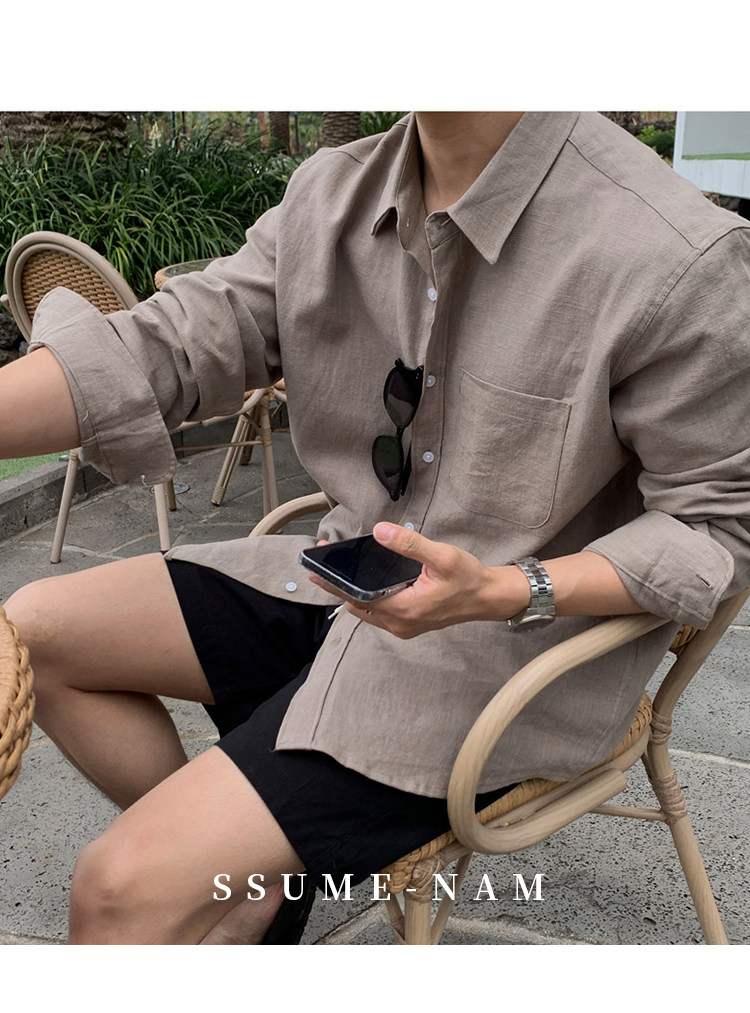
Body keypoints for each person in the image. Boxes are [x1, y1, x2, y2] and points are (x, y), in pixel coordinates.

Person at [2, 111, 750, 944]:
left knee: (117, 889)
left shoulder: (671, 251)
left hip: (507, 654)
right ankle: (243, 891)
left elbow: (719, 526)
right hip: (344, 578)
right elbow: (168, 346)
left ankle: (209, 881)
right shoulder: (329, 194)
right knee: (37, 631)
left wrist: (510, 589)